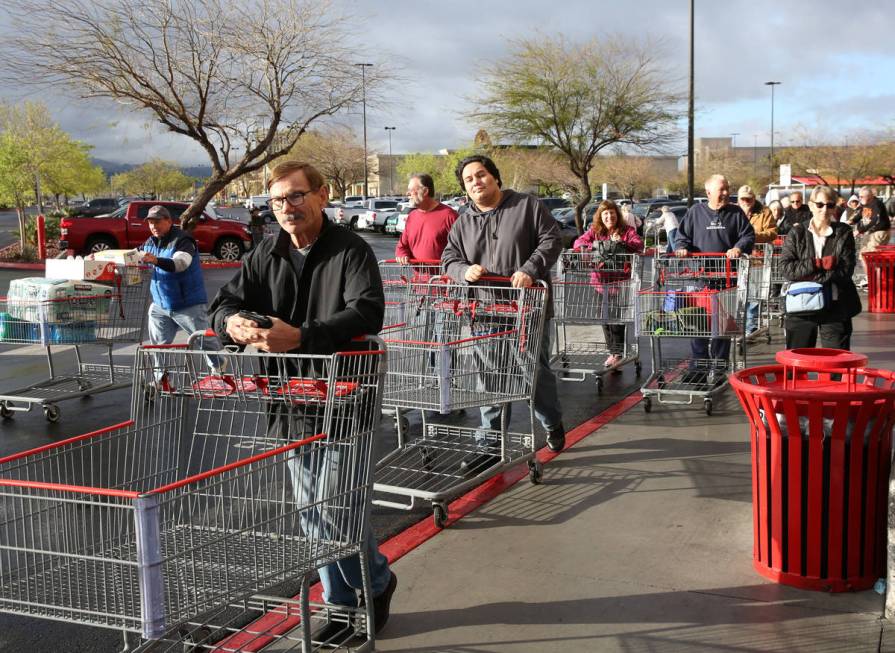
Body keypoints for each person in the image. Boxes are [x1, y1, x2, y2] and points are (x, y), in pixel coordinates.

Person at [207, 161, 397, 640]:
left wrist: (303, 336)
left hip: (346, 395)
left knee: (338, 507)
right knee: (312, 510)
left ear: (321, 195)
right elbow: (224, 304)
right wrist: (231, 326)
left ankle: (374, 583)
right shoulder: (264, 252)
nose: (286, 208)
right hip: (286, 399)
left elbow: (367, 310)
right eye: (276, 201)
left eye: (295, 196)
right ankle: (338, 604)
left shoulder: (350, 251)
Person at [441, 154, 565, 474]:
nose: (476, 182)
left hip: (527, 310)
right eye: (469, 180)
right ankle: (490, 443)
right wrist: (462, 270)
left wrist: (529, 269)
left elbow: (552, 239)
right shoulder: (463, 220)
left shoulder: (526, 206)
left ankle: (551, 422)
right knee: (490, 379)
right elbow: (448, 259)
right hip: (484, 311)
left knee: (533, 375)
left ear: (495, 177)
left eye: (480, 175)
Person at [675, 174, 755, 378]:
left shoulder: (735, 213)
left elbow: (748, 235)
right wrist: (682, 248)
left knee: (722, 326)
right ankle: (699, 366)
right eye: (722, 189)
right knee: (698, 324)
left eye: (728, 188)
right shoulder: (695, 212)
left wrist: (738, 248)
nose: (727, 192)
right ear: (709, 192)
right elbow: (681, 236)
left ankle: (719, 367)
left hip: (726, 279)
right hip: (700, 279)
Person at [138, 204, 222, 379]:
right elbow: (133, 255)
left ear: (169, 221)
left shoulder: (183, 240)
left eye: (157, 222)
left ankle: (218, 367)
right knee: (158, 345)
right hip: (161, 305)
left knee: (202, 340)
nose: (153, 226)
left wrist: (156, 260)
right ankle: (160, 378)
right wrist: (105, 258)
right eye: (150, 223)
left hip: (187, 303)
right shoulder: (149, 242)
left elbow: (180, 264)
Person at [779, 185, 860, 349]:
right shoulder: (797, 233)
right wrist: (818, 264)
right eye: (820, 204)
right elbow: (786, 269)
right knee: (798, 361)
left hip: (836, 305)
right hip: (801, 303)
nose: (824, 209)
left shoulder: (843, 232)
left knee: (836, 364)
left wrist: (809, 275)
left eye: (830, 205)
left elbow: (845, 270)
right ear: (810, 205)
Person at [573, 199, 644, 368]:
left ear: (617, 215)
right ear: (600, 216)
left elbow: (638, 245)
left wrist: (622, 242)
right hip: (600, 282)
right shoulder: (595, 231)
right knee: (604, 318)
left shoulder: (627, 231)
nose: (609, 216)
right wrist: (594, 246)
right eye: (605, 213)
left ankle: (617, 353)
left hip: (620, 283)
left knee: (617, 319)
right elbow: (578, 243)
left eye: (612, 213)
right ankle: (613, 352)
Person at [738, 185, 777, 335]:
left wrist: (752, 237)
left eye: (749, 198)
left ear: (754, 199)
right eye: (743, 199)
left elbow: (772, 232)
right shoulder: (734, 212)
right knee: (739, 295)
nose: (746, 201)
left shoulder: (764, 212)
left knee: (754, 295)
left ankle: (750, 328)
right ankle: (737, 326)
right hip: (738, 260)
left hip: (757, 259)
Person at [395, 173, 458, 264]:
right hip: (417, 277)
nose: (407, 193)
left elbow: (462, 248)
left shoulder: (449, 216)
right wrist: (402, 255)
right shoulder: (412, 216)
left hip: (443, 277)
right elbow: (402, 246)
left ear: (425, 191)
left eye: (411, 190)